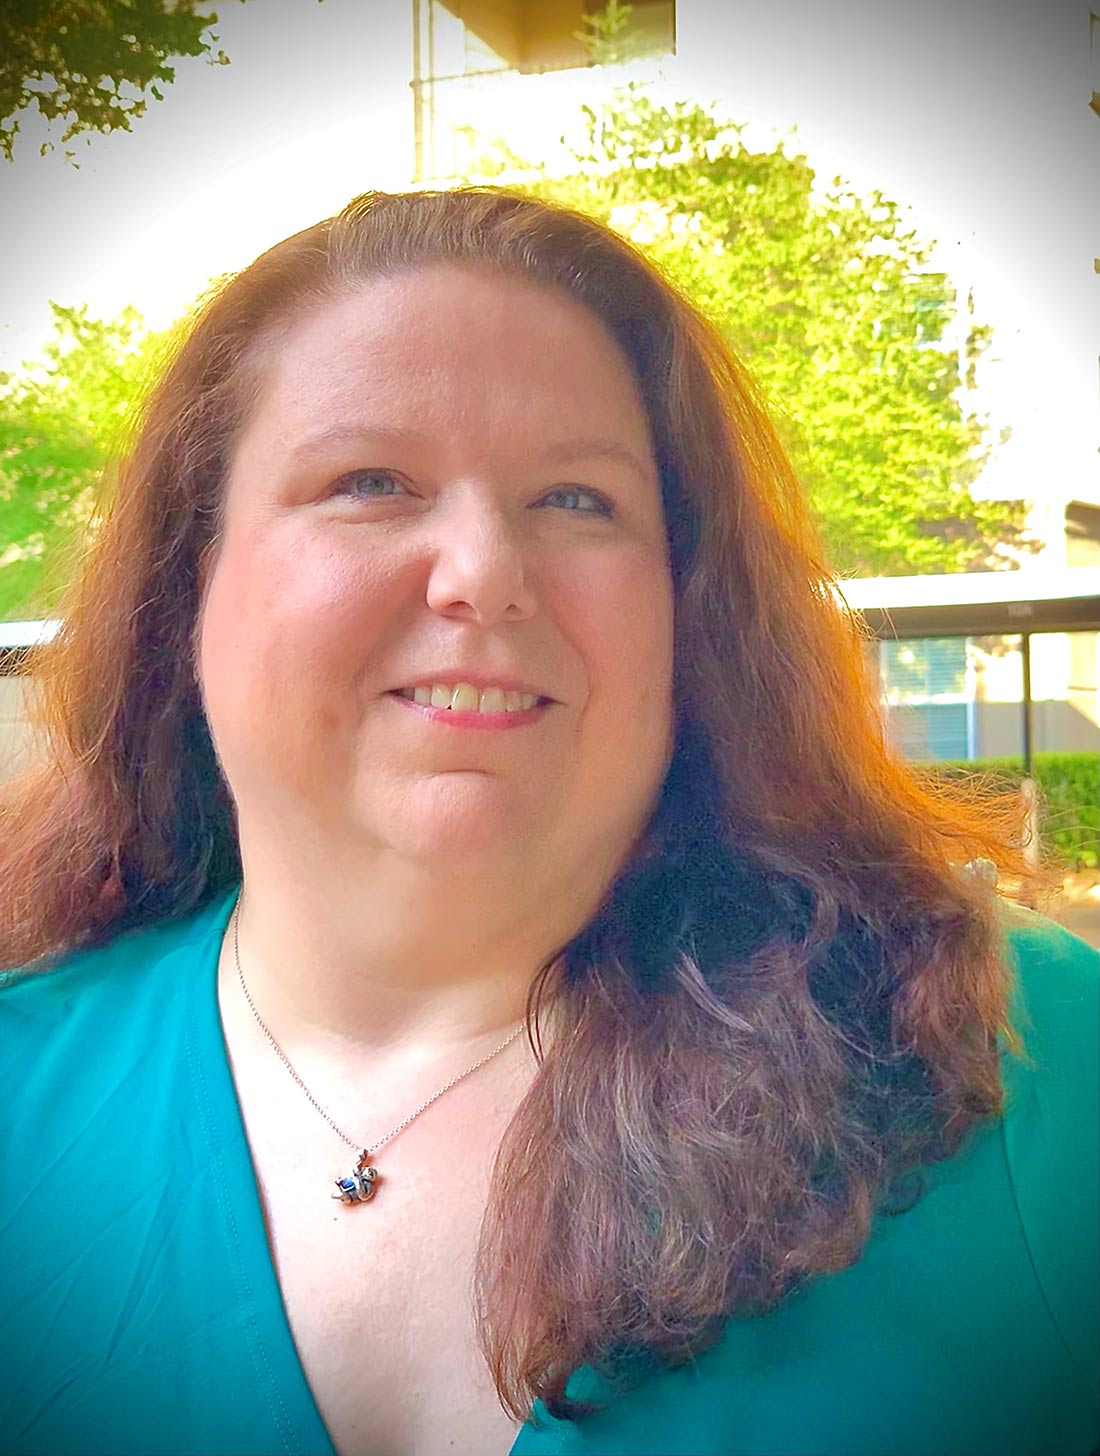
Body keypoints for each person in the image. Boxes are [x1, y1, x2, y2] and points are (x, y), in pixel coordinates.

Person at [0, 186, 1096, 1456]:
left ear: (689, 610)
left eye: (578, 498)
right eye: (369, 480)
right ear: (189, 586)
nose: (481, 572)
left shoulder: (1028, 1064)